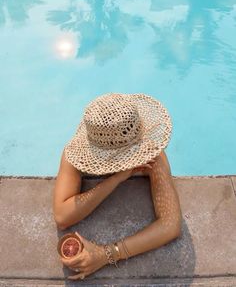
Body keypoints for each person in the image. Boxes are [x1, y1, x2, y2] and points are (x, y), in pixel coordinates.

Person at [53, 92, 182, 281]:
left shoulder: (150, 152)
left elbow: (171, 226)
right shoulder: (75, 154)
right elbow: (62, 216)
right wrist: (116, 179)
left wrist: (107, 254)